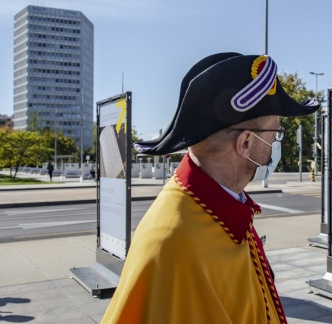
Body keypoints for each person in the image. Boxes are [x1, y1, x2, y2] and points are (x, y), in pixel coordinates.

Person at [102, 53, 319, 323]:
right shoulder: (176, 246)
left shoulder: (218, 207)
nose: (276, 141)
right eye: (275, 133)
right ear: (246, 143)